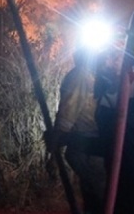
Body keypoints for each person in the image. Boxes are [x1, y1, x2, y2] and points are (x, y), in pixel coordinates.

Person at [47, 47, 106, 214]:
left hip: (90, 145)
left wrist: (55, 146)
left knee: (95, 192)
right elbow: (67, 113)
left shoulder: (87, 76)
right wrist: (56, 146)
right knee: (97, 192)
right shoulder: (84, 76)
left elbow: (67, 113)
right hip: (89, 145)